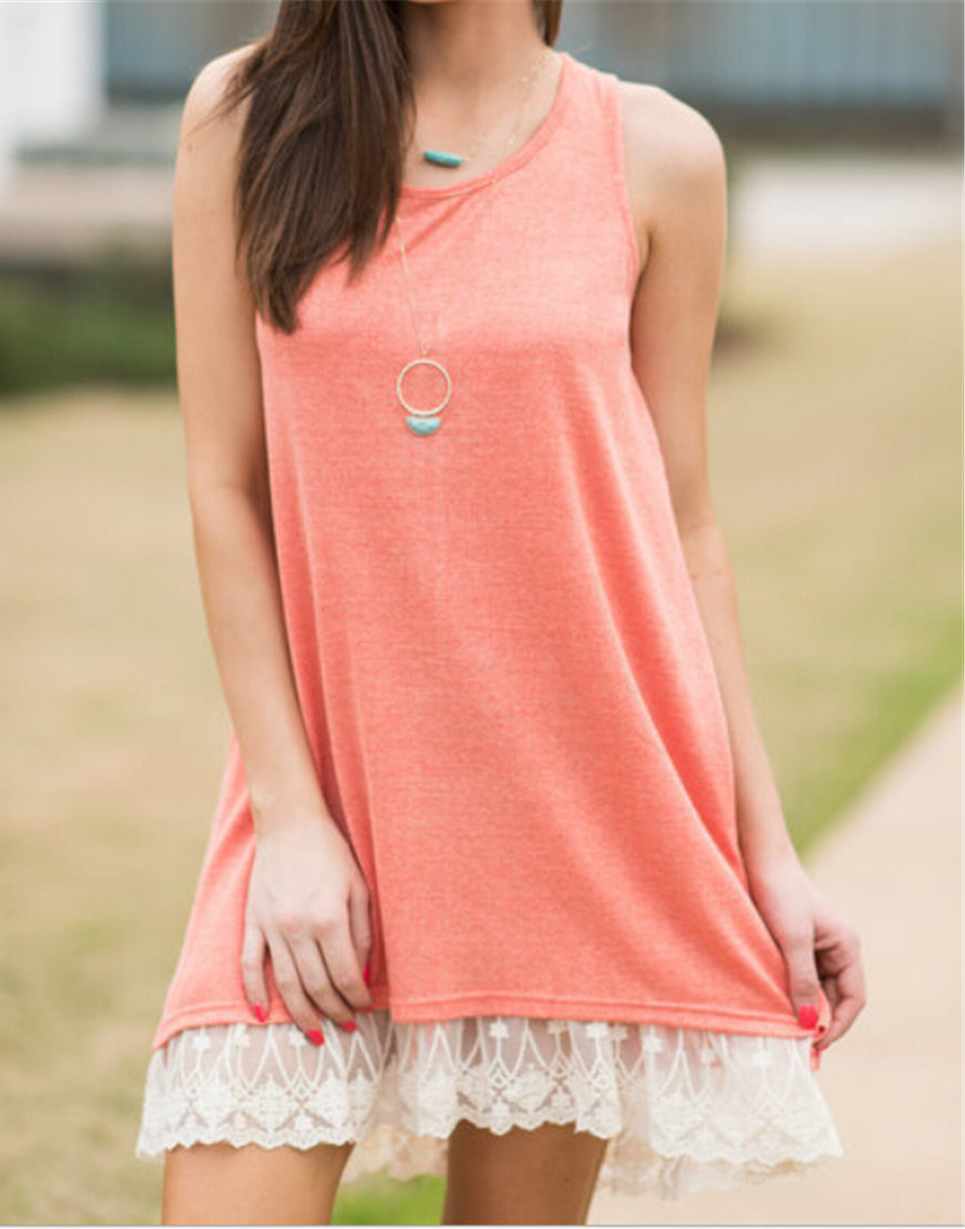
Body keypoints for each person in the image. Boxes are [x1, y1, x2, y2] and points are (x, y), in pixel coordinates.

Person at [136, 0, 866, 1223]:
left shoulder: (660, 154)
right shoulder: (248, 117)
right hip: (329, 808)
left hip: (574, 819)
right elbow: (225, 487)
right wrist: (290, 819)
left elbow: (684, 527)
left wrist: (769, 851)